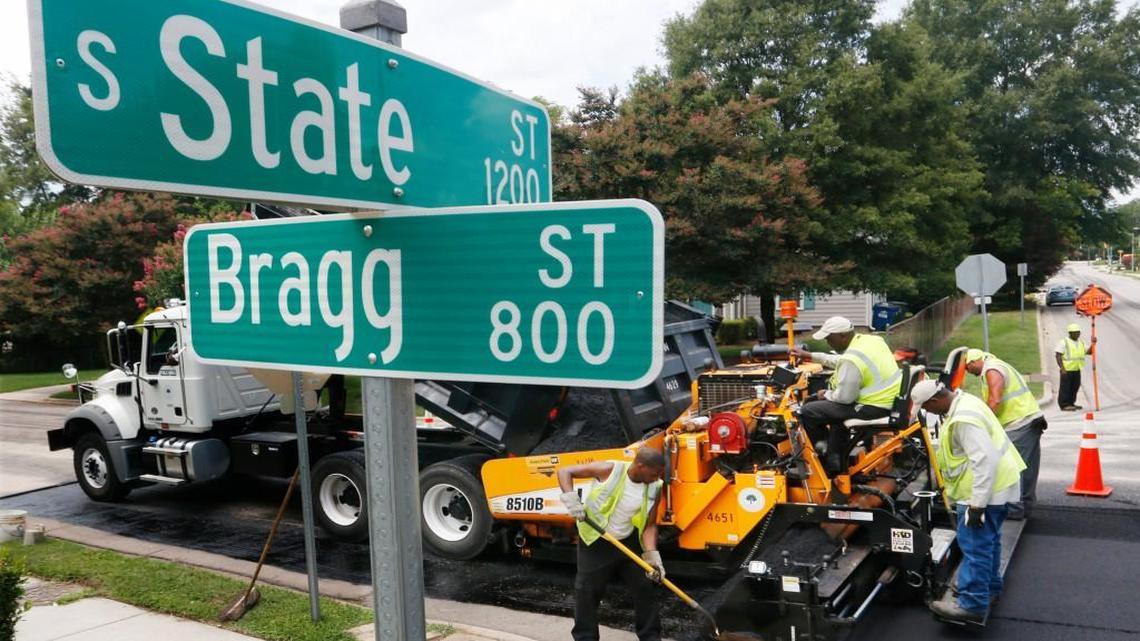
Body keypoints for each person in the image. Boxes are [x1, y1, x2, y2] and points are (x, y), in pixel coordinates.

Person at [911, 380, 1026, 624]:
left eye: (927, 408)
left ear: (934, 400)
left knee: (975, 547)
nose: (928, 413)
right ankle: (990, 589)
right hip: (999, 487)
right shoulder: (966, 401)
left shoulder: (963, 420)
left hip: (986, 492)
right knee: (989, 541)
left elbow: (984, 461)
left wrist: (976, 505)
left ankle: (972, 604)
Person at [558, 448, 666, 641]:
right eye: (653, 473)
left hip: (628, 541)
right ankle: (585, 638)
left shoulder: (655, 486)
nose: (657, 478)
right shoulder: (610, 470)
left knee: (645, 588)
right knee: (587, 592)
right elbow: (565, 471)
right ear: (640, 466)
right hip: (597, 541)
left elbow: (650, 525)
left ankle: (650, 637)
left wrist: (652, 555)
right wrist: (571, 499)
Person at [792, 316, 903, 474]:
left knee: (808, 410)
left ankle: (822, 461)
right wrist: (810, 356)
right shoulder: (872, 341)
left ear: (842, 336)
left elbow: (845, 398)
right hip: (890, 400)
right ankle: (836, 460)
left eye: (829, 339)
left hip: (875, 406)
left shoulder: (851, 360)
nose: (828, 343)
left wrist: (827, 394)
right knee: (833, 413)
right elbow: (842, 360)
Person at [964, 349, 1046, 520]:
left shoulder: (991, 369)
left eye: (967, 368)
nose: (968, 372)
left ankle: (1015, 509)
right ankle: (1026, 506)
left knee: (1012, 467)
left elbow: (995, 399)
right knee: (1027, 466)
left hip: (1018, 423)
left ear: (973, 361)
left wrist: (981, 422)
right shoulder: (1000, 365)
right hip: (1029, 419)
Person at [1055, 323, 1095, 411]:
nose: (1077, 334)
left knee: (1075, 387)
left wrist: (1093, 344)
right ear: (1070, 333)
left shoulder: (1081, 343)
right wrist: (1062, 368)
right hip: (1067, 369)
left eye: (1078, 332)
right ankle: (1064, 404)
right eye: (1075, 332)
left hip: (1076, 369)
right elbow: (1058, 355)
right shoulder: (1064, 342)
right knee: (1065, 388)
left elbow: (1089, 352)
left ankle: (1071, 403)